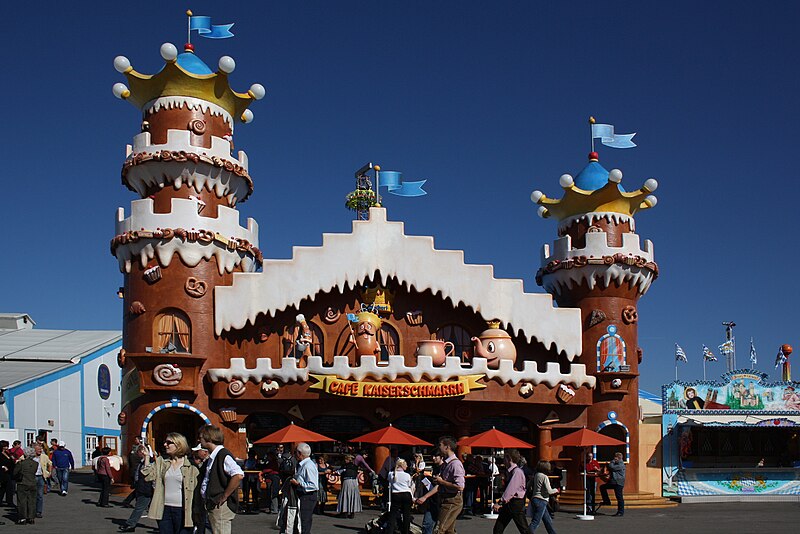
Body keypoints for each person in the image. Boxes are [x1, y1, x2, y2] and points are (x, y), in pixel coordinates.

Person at [142, 433, 199, 534]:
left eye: (169, 442)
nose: (165, 444)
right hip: (164, 508)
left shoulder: (191, 466)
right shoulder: (162, 462)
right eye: (165, 442)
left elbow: (197, 489)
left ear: (179, 444)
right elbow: (148, 475)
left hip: (183, 510)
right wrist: (146, 457)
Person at [198, 424, 244, 534]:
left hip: (220, 505)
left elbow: (238, 475)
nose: (199, 440)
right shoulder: (214, 456)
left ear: (208, 437)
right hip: (213, 503)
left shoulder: (223, 455)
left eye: (201, 437)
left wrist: (224, 496)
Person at [432, 436, 465, 534]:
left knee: (439, 529)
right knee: (449, 531)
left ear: (447, 447)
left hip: (453, 499)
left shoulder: (455, 464)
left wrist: (442, 482)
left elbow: (460, 486)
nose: (439, 448)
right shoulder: (446, 463)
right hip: (445, 497)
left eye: (440, 445)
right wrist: (438, 480)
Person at [492, 449, 528, 534]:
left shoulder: (517, 472)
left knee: (524, 529)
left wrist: (500, 502)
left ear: (509, 458)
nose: (503, 460)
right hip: (510, 503)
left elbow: (511, 489)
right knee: (498, 528)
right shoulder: (511, 471)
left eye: (505, 458)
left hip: (516, 503)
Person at [119, 445, 154, 532]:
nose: (137, 453)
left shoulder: (150, 462)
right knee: (155, 509)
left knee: (140, 508)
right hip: (143, 488)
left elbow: (148, 473)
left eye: (139, 451)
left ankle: (131, 524)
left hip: (147, 489)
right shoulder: (141, 462)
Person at [291, 442, 319, 534]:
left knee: (304, 521)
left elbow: (313, 485)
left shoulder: (308, 466)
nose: (294, 455)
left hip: (308, 496)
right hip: (304, 495)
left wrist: (299, 483)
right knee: (301, 520)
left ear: (300, 453)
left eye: (295, 452)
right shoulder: (303, 465)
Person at [415, 450, 443, 534]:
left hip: (441, 499)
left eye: (436, 456)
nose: (433, 458)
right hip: (432, 499)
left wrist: (425, 497)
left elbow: (439, 486)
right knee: (427, 524)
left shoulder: (444, 468)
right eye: (432, 456)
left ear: (441, 457)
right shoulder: (435, 467)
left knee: (443, 527)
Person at [527, 460, 559, 534]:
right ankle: (527, 532)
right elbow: (549, 491)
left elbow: (528, 485)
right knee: (536, 522)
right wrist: (556, 490)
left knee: (548, 520)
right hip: (542, 500)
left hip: (535, 498)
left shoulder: (536, 475)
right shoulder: (544, 477)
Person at [386, 458, 414, 534]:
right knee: (406, 515)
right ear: (402, 465)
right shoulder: (407, 475)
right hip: (406, 494)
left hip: (396, 494)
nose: (407, 466)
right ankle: (406, 531)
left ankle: (390, 531)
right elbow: (409, 486)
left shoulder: (391, 474)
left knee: (393, 514)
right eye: (406, 464)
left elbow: (390, 482)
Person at [13, 447, 39, 525]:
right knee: (32, 501)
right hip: (32, 483)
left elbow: (15, 473)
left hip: (23, 483)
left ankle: (22, 518)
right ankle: (31, 517)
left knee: (22, 501)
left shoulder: (21, 463)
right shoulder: (36, 463)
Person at [599, 452, 626, 517]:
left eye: (615, 458)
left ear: (618, 458)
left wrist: (612, 461)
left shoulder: (621, 464)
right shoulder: (617, 464)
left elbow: (611, 467)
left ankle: (620, 512)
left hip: (618, 482)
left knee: (619, 497)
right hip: (614, 481)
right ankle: (606, 500)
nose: (614, 459)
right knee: (602, 487)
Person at [335, 454, 362, 519]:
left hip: (347, 481)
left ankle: (345, 512)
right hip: (354, 482)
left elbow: (338, 472)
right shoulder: (355, 466)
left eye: (346, 459)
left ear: (347, 459)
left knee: (346, 496)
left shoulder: (345, 466)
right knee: (353, 496)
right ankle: (352, 512)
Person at [122, 436, 144, 508]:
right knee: (139, 488)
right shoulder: (136, 455)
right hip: (137, 471)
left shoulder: (134, 453)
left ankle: (128, 501)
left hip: (135, 470)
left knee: (138, 488)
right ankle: (135, 503)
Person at [33, 443, 52, 517]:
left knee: (40, 495)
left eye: (41, 449)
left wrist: (49, 472)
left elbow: (50, 463)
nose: (40, 451)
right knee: (32, 495)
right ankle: (32, 510)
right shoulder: (30, 457)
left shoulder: (44, 456)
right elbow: (20, 460)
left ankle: (38, 511)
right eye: (38, 449)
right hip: (32, 477)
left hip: (41, 477)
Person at [0, 440, 15, 507]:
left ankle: (9, 501)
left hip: (9, 472)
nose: (7, 447)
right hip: (3, 473)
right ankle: (9, 502)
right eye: (5, 446)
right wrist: (3, 466)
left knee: (7, 487)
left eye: (7, 446)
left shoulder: (7, 453)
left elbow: (11, 461)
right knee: (5, 487)